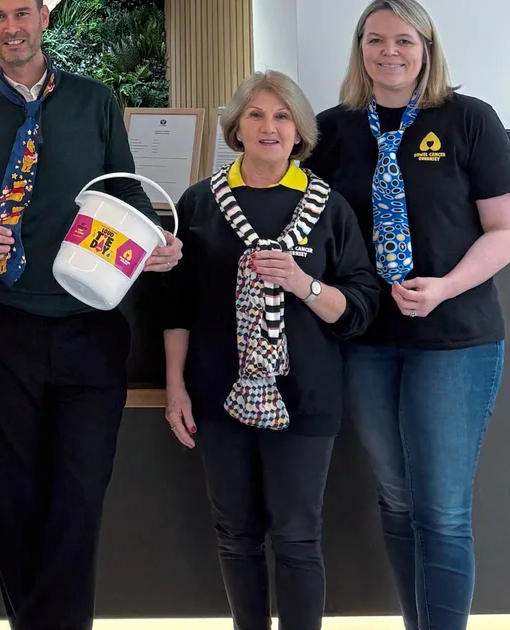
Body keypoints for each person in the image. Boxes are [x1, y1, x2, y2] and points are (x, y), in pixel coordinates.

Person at [0, 0, 182, 626]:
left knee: (78, 500)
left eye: (23, 12)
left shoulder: (96, 102)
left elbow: (125, 193)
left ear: (44, 17)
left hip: (90, 327)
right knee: (12, 500)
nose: (12, 27)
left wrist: (157, 240)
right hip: (2, 328)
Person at [301, 2, 510, 628]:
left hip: (454, 340)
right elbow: (293, 212)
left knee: (441, 509)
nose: (388, 52)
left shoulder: (470, 120)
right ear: (359, 48)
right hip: (366, 340)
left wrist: (444, 287)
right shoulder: (333, 130)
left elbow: (503, 230)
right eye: (374, 40)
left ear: (426, 46)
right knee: (395, 500)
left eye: (403, 40)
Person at [163, 70, 379, 630]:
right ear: (235, 128)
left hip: (306, 398)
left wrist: (303, 283)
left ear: (300, 130)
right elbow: (177, 307)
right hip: (218, 397)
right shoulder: (200, 202)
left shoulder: (328, 207)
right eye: (256, 115)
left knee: (298, 536)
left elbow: (359, 307)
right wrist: (175, 387)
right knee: (235, 535)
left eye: (282, 116)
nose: (269, 127)